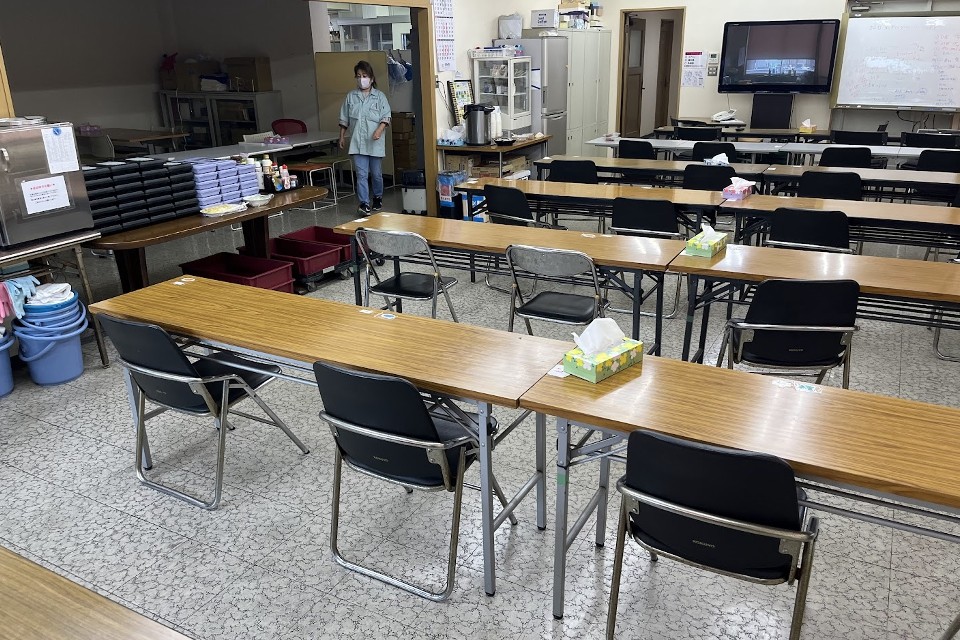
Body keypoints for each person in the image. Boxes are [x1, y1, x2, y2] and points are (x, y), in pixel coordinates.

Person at [339, 61, 392, 214]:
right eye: (358, 76)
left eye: (364, 75)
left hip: (375, 143)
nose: (361, 79)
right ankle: (364, 203)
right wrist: (342, 136)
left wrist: (379, 130)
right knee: (361, 175)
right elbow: (344, 119)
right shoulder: (351, 97)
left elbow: (386, 117)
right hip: (358, 142)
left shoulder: (379, 97)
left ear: (371, 78)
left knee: (376, 174)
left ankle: (377, 197)